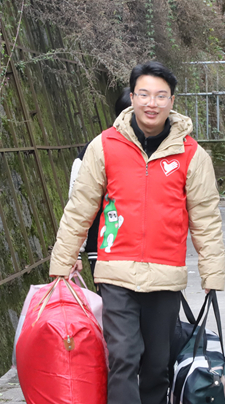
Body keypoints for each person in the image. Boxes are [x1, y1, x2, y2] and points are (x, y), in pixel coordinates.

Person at [49, 61, 225, 404]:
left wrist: (212, 274)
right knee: (124, 356)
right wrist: (62, 262)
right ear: (132, 97)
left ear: (172, 101)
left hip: (165, 275)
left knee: (156, 363)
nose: (151, 103)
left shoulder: (191, 154)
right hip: (116, 273)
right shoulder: (104, 146)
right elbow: (80, 210)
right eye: (143, 94)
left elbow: (206, 216)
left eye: (160, 95)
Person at [68, 88, 133, 280]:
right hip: (105, 247)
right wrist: (74, 251)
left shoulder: (161, 152)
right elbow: (78, 204)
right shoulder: (94, 151)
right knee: (115, 308)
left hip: (152, 254)